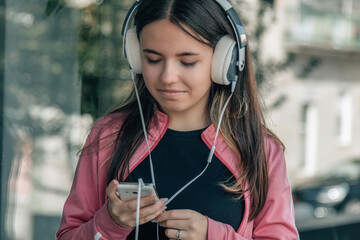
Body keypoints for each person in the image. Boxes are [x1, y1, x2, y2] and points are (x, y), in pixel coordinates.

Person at [56, 0, 299, 239]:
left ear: (225, 61)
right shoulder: (109, 135)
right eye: (153, 59)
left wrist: (214, 236)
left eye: (187, 62)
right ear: (135, 57)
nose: (168, 77)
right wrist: (110, 224)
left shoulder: (261, 149)